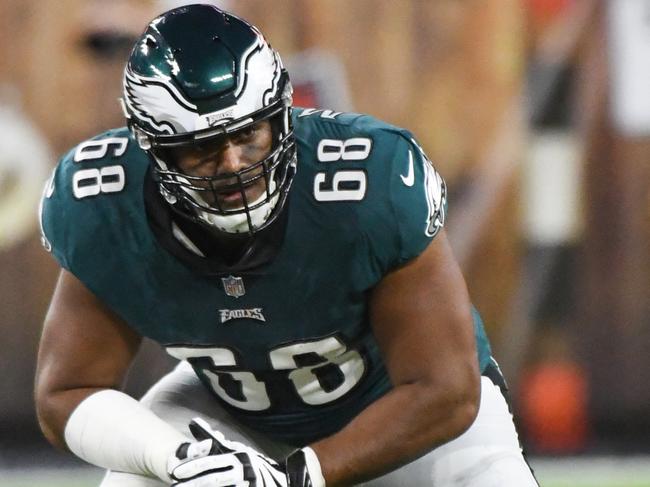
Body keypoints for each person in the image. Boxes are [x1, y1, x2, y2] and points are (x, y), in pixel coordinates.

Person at [35, 4, 539, 487]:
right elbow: (65, 392)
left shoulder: (369, 184)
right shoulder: (104, 205)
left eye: (249, 134)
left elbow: (444, 392)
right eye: (201, 146)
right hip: (237, 418)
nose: (232, 163)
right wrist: (177, 459)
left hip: (399, 415)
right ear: (153, 147)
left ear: (281, 115)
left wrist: (299, 476)